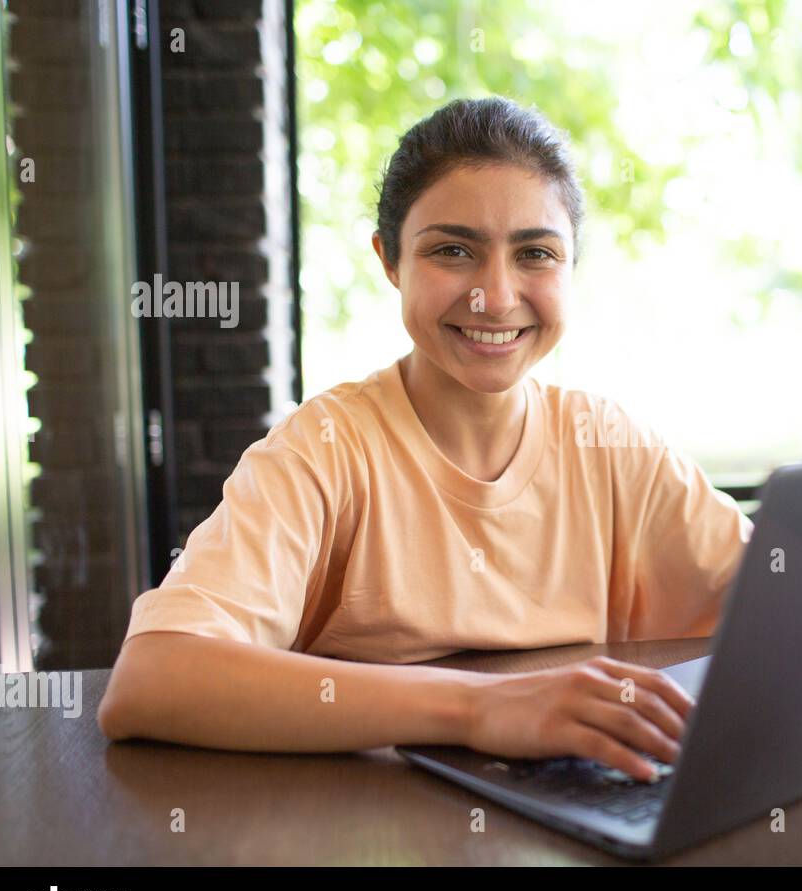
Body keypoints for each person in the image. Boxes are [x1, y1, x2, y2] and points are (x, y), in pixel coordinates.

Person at [98, 96, 753, 782]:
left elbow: (800, 606)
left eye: (535, 253)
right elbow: (151, 680)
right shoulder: (325, 448)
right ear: (389, 261)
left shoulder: (608, 444)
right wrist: (480, 709)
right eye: (452, 251)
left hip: (585, 802)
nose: (495, 298)